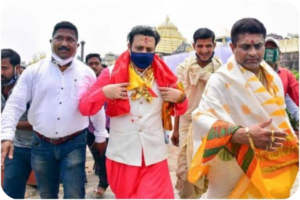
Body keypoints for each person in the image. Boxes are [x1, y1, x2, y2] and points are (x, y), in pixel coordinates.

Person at [188, 18, 298, 199]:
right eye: (245, 47)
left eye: (259, 46)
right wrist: (240, 134)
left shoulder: (273, 78)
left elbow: (279, 115)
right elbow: (200, 118)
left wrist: (292, 142)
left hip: (267, 156)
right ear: (233, 48)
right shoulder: (221, 80)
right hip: (231, 163)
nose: (253, 52)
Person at [1, 21, 108, 199]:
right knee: (47, 193)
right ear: (51, 41)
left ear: (77, 44)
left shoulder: (86, 73)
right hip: (41, 144)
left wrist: (100, 135)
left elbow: (95, 105)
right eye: (59, 38)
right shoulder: (34, 72)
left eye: (70, 39)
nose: (64, 43)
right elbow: (14, 104)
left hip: (74, 143)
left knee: (74, 193)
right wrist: (6, 136)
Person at [79, 25, 188, 199]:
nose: (144, 52)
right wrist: (104, 93)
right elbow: (85, 107)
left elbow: (182, 108)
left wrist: (180, 98)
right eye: (139, 48)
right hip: (123, 157)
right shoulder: (110, 74)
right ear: (129, 46)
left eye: (149, 49)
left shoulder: (165, 76)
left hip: (155, 157)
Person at [171, 28, 222, 198]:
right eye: (200, 46)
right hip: (187, 122)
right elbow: (179, 99)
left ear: (214, 45)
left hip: (211, 124)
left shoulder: (221, 69)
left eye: (208, 45)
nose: (204, 50)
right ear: (194, 46)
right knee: (185, 170)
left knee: (210, 168)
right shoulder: (184, 68)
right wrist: (176, 129)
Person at [1, 49, 35, 199]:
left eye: (4, 68)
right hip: (14, 148)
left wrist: (8, 122)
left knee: (48, 191)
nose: (0, 72)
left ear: (17, 68)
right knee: (11, 190)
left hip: (40, 147)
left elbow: (40, 122)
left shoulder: (30, 89)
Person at [85, 53, 110, 197]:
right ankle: (103, 180)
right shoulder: (84, 82)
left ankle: (103, 184)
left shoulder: (109, 81)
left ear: (101, 65)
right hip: (89, 128)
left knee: (107, 156)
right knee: (97, 156)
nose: (94, 66)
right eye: (90, 64)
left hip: (109, 127)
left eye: (96, 63)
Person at [264, 37, 299, 132]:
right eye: (266, 48)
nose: (269, 51)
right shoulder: (253, 73)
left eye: (272, 48)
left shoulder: (286, 75)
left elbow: (296, 95)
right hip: (258, 123)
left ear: (279, 54)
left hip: (278, 124)